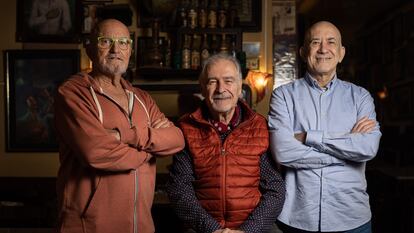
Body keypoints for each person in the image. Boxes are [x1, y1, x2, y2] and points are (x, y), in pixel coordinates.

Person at [54, 19, 185, 233]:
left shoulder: (142, 98)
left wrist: (124, 136)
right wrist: (148, 154)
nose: (116, 49)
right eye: (106, 41)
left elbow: (176, 139)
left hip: (140, 226)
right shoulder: (73, 93)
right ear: (89, 48)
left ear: (130, 50)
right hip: (88, 227)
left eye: (123, 42)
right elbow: (95, 151)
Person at [268, 21, 382, 233]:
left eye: (331, 42)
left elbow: (367, 148)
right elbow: (282, 152)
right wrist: (347, 151)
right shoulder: (283, 96)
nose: (323, 49)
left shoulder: (360, 97)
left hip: (351, 219)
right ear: (303, 52)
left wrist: (310, 137)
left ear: (341, 53)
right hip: (297, 219)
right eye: (315, 42)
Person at [167, 54, 285, 233]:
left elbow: (275, 188)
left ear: (240, 88)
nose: (221, 89)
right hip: (203, 228)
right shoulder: (186, 128)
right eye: (213, 81)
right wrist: (213, 229)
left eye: (228, 81)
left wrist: (248, 230)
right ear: (203, 88)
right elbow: (179, 189)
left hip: (253, 227)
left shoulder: (259, 126)